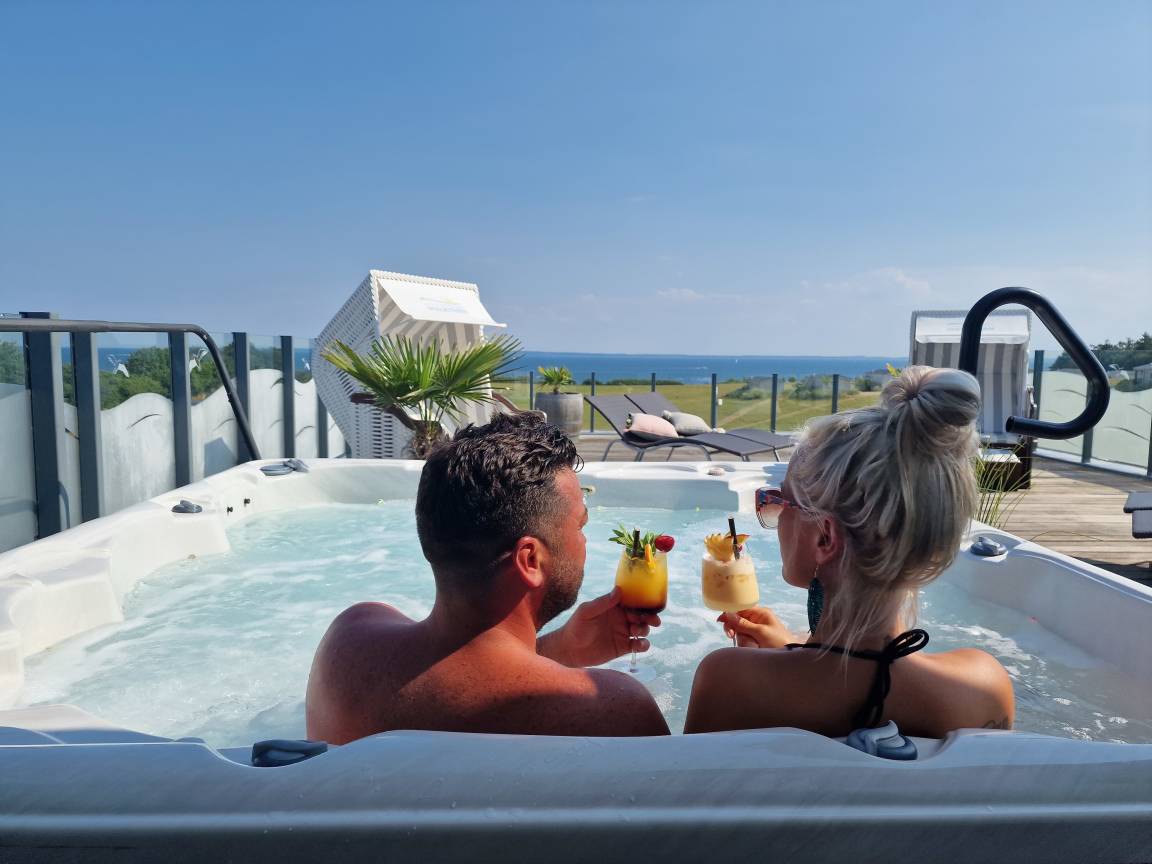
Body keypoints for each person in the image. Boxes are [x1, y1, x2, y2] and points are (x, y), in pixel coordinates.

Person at [685, 366, 1015, 737]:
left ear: (825, 538)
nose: (774, 514)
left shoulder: (731, 680)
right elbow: (863, 674)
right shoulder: (984, 686)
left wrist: (791, 655)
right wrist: (795, 647)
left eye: (780, 501)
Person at [306, 412, 669, 744]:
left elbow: (461, 676)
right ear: (530, 560)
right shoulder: (612, 710)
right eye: (580, 526)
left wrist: (560, 650)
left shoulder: (346, 647)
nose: (584, 542)